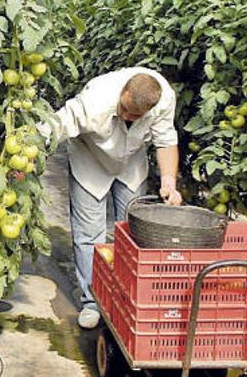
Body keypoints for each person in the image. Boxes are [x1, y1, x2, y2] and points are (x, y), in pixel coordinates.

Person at [39, 67, 181, 329]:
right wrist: (25, 153)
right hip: (90, 160)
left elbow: (166, 140)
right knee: (89, 234)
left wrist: (169, 181)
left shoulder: (163, 99)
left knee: (131, 231)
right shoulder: (94, 100)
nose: (127, 116)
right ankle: (92, 301)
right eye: (124, 109)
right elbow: (53, 127)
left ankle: (128, 297)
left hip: (132, 163)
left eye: (135, 116)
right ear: (123, 91)